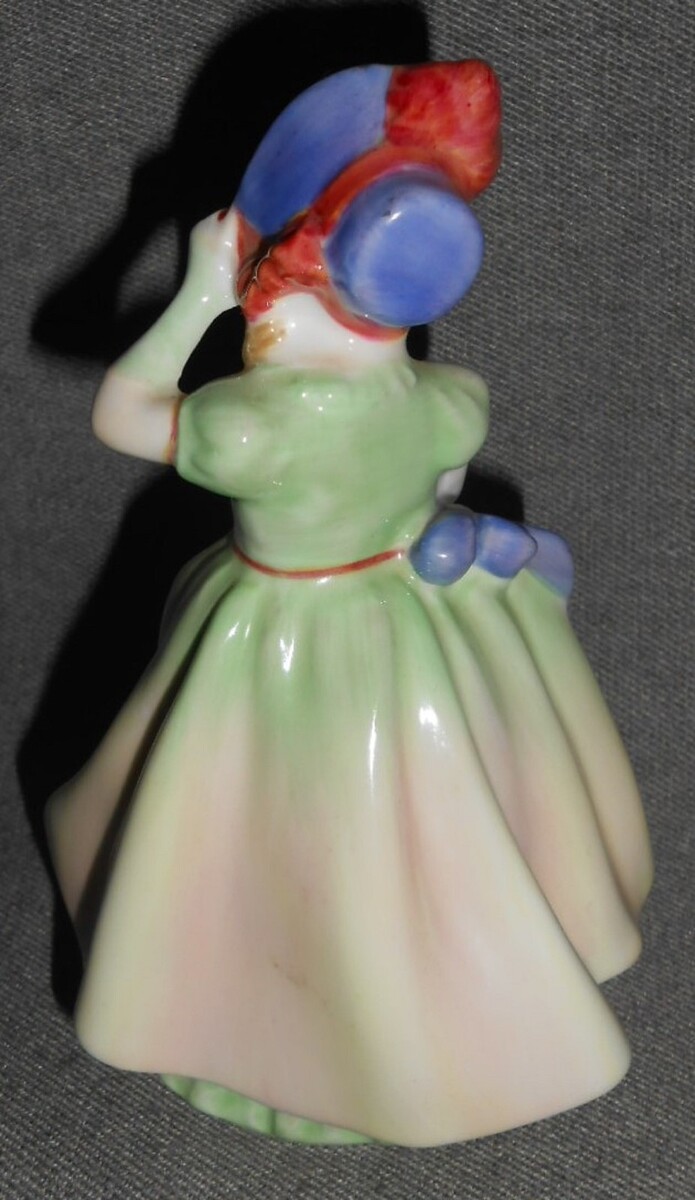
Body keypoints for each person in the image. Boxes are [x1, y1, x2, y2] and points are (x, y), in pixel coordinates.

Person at [45, 62, 652, 1146]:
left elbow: (124, 410)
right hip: (409, 624)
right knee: (414, 847)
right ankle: (426, 1031)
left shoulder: (250, 426)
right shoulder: (451, 401)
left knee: (284, 842)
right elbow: (434, 493)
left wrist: (196, 292)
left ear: (285, 281)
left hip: (277, 638)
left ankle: (270, 1034)